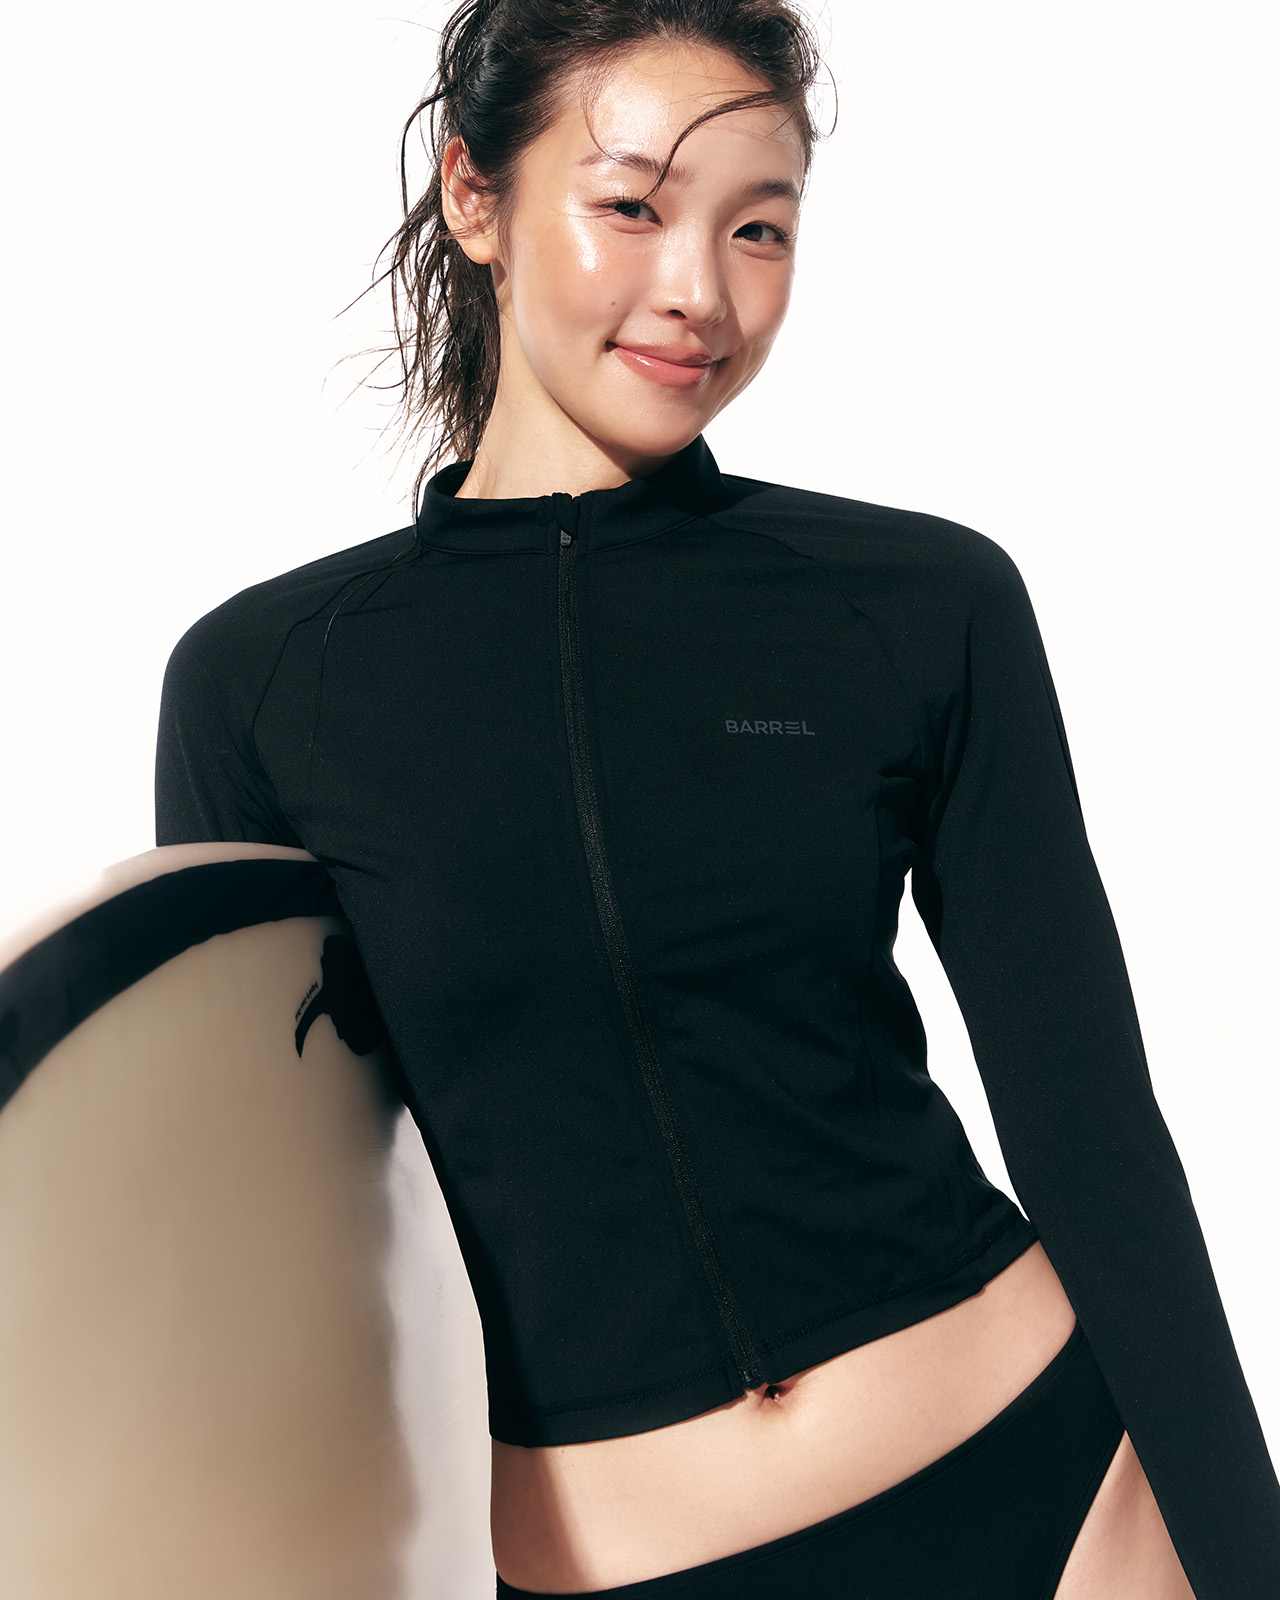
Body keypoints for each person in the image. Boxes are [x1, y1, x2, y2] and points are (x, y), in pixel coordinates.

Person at [153, 2, 1280, 1596]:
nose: (702, 290)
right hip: (623, 1558)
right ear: (475, 197)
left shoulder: (917, 603)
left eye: (760, 229)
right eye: (632, 207)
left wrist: (1247, 1557)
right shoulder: (268, 684)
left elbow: (1090, 1129)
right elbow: (267, 1249)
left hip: (1048, 1487)